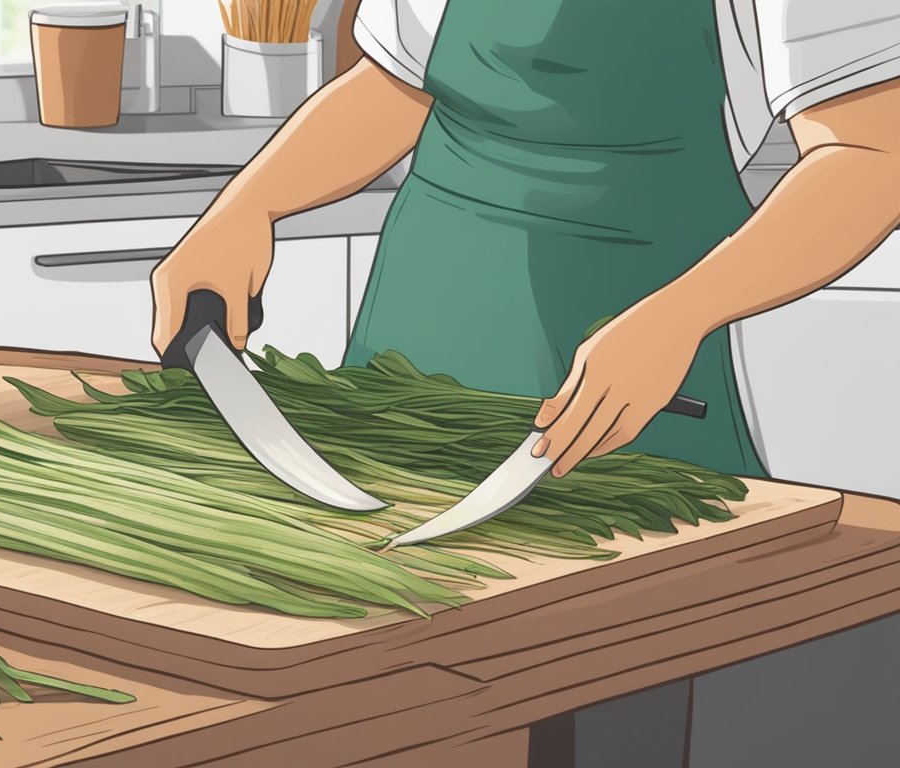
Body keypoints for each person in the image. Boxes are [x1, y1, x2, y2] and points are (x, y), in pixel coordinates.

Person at [150, 1, 900, 765]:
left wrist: (679, 318)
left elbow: (873, 153)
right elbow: (398, 87)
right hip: (401, 380)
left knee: (602, 711)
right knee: (375, 712)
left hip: (619, 414)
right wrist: (249, 204)